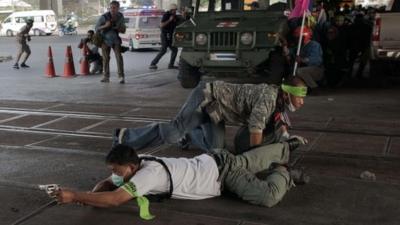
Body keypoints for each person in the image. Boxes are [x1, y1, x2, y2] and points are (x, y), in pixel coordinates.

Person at [55, 141, 305, 217]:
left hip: (222, 174)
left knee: (267, 196)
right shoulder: (138, 160)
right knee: (248, 162)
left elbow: (115, 199)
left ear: (131, 167)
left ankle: (284, 171)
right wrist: (92, 195)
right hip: (214, 160)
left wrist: (75, 195)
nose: (116, 174)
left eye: (119, 171)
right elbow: (108, 184)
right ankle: (284, 147)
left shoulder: (147, 175)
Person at [114, 77, 308, 153]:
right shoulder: (268, 97)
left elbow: (281, 122)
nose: (302, 102)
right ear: (288, 92)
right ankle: (124, 137)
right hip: (206, 97)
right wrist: (255, 158)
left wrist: (288, 138)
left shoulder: (280, 102)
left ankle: (190, 134)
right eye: (300, 97)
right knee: (173, 133)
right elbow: (255, 129)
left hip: (217, 113)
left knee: (216, 151)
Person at [95, 0, 126, 84]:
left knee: (119, 57)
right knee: (105, 59)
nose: (112, 9)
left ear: (118, 8)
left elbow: (124, 30)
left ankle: (121, 76)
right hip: (105, 40)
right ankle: (106, 76)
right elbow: (96, 28)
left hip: (115, 40)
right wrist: (105, 26)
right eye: (111, 7)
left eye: (114, 8)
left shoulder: (120, 16)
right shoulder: (104, 17)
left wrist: (118, 28)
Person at [149, 4, 179, 70]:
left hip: (171, 36)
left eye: (176, 10)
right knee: (163, 50)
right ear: (171, 10)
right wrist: (169, 20)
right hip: (165, 35)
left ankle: (171, 65)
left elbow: (180, 21)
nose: (175, 11)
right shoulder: (166, 15)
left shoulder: (175, 16)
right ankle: (153, 63)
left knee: (174, 50)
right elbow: (162, 25)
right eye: (174, 10)